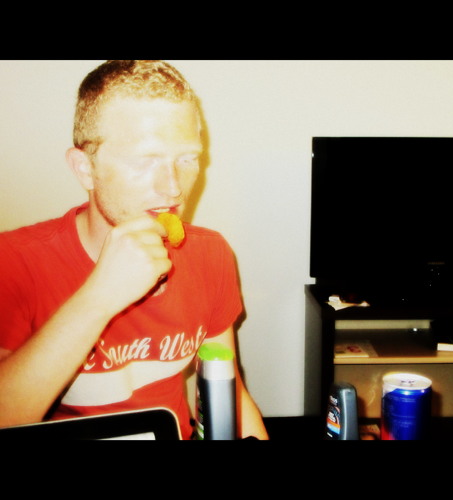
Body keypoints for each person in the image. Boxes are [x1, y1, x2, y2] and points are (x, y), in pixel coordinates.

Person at [0, 60, 268, 440]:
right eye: (145, 161)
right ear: (85, 168)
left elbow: (227, 389)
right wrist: (99, 297)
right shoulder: (14, 261)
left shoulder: (210, 254)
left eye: (187, 159)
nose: (173, 188)